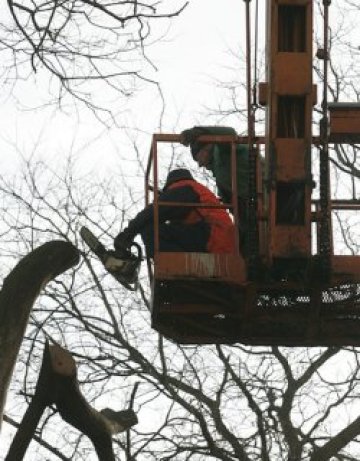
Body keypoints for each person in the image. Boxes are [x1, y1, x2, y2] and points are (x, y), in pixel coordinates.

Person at [114, 168, 236, 261]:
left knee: (151, 231)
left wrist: (128, 234)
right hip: (220, 241)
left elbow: (154, 212)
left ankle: (171, 263)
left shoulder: (184, 188)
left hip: (214, 239)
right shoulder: (196, 190)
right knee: (162, 228)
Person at [180, 126, 250, 252]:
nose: (199, 164)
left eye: (198, 158)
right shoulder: (218, 169)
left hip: (261, 197)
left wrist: (199, 131)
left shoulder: (223, 151)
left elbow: (230, 133)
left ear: (206, 148)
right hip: (248, 211)